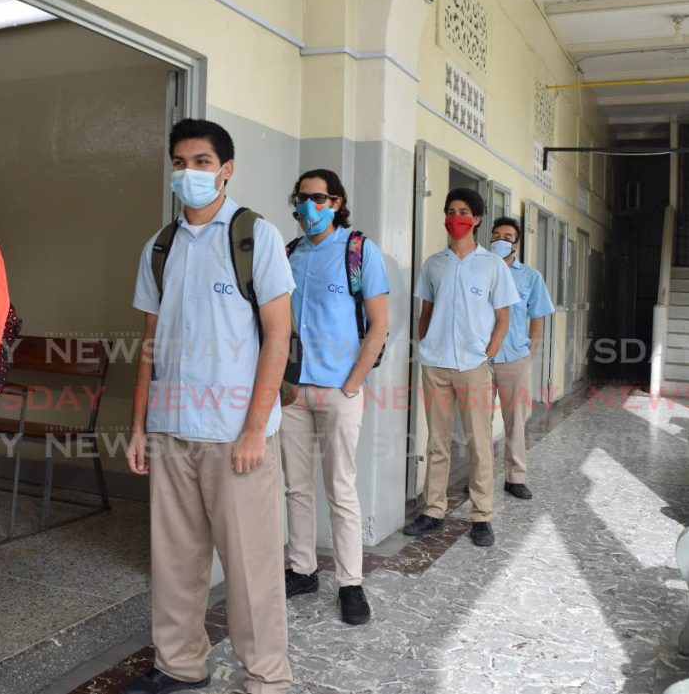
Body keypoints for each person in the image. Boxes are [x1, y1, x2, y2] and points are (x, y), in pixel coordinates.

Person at [124, 119, 294, 694]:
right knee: (174, 564)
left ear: (226, 168)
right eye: (179, 161)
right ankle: (180, 667)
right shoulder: (160, 246)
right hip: (171, 430)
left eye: (201, 161)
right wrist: (139, 426)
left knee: (251, 570)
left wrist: (253, 430)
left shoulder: (254, 237)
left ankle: (266, 679)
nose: (188, 172)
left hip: (234, 437)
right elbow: (150, 342)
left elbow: (277, 336)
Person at [279, 169, 389, 625]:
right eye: (302, 199)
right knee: (295, 487)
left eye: (318, 199)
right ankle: (302, 569)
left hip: (340, 391)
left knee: (340, 488)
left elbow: (379, 324)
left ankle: (350, 583)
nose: (309, 207)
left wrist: (353, 383)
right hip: (293, 393)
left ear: (337, 202)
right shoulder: (290, 254)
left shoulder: (358, 251)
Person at [404, 188, 519, 547]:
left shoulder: (492, 266)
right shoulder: (433, 264)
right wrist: (427, 345)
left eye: (464, 211)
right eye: (450, 210)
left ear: (477, 219)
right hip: (435, 365)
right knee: (438, 441)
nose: (456, 216)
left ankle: (481, 515)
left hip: (473, 366)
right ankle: (433, 510)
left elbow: (503, 317)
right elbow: (425, 313)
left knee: (478, 442)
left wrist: (487, 355)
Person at [488, 216, 555, 500]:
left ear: (516, 243)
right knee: (477, 421)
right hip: (479, 359)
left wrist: (530, 354)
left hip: (515, 357)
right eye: (496, 236)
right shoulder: (478, 271)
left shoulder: (530, 276)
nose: (501, 241)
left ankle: (515, 477)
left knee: (515, 419)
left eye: (507, 237)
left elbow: (538, 317)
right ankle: (479, 477)